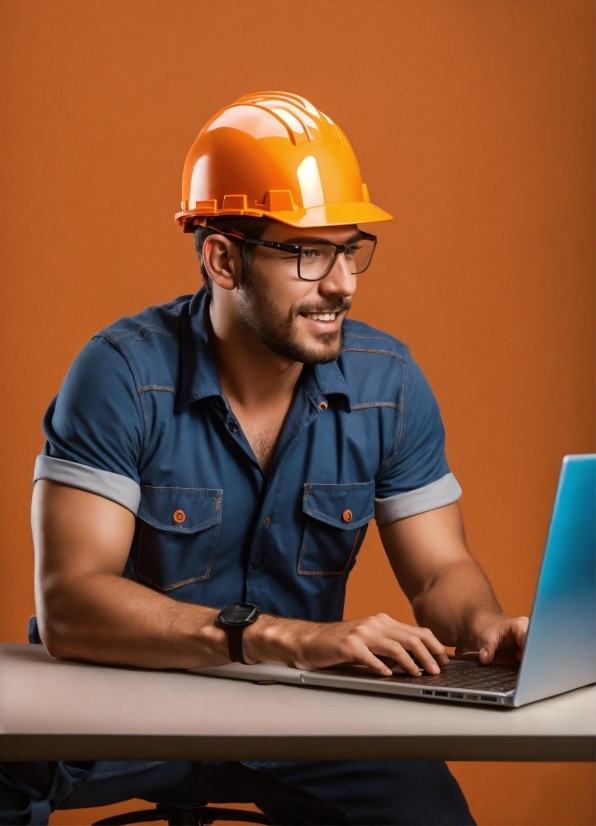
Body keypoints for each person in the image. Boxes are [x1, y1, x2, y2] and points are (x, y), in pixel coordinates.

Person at [0, 92, 527, 825]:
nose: (341, 283)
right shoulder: (120, 374)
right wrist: (286, 637)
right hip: (122, 700)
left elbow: (440, 570)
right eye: (308, 253)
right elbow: (70, 607)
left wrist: (482, 625)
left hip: (305, 717)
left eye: (350, 250)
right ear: (223, 258)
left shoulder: (390, 384)